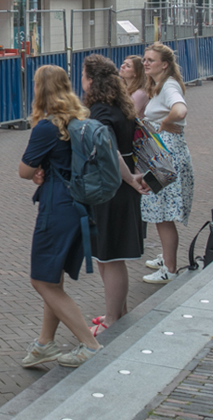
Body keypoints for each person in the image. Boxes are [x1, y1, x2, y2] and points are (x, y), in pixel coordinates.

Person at [18, 65, 103, 370]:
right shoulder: (80, 119)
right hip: (79, 205)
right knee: (53, 278)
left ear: (41, 90)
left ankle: (89, 344)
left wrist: (38, 170)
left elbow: (25, 170)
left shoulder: (46, 127)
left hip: (56, 209)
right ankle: (45, 343)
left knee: (41, 280)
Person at [81, 55, 149, 336]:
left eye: (83, 76)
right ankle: (118, 312)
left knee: (110, 257)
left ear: (91, 81)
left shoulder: (101, 111)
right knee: (110, 256)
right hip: (120, 188)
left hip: (112, 189)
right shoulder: (119, 106)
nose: (80, 81)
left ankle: (112, 319)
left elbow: (109, 148)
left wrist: (130, 179)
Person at [140, 43, 195, 283]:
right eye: (144, 59)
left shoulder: (169, 86)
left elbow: (180, 111)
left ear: (164, 64)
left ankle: (169, 270)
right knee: (160, 209)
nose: (145, 63)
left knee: (162, 213)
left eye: (150, 60)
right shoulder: (160, 86)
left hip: (165, 156)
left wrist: (163, 124)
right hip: (164, 152)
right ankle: (166, 256)